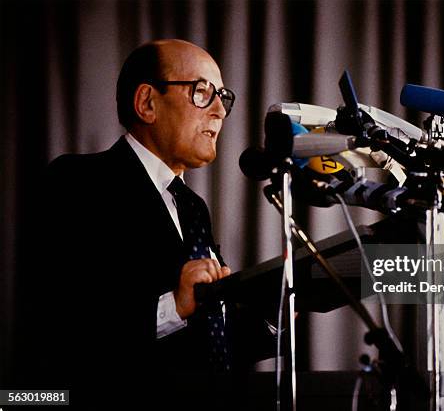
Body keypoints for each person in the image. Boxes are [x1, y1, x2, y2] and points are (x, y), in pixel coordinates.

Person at [27, 39, 274, 409]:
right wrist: (172, 306)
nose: (221, 110)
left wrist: (275, 311)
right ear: (147, 103)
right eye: (202, 92)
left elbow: (206, 342)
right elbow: (68, 328)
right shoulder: (79, 181)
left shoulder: (193, 207)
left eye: (222, 95)